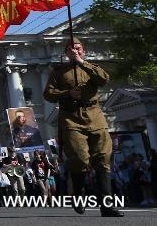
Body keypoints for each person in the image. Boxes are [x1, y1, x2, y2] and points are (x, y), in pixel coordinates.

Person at [44, 36, 123, 217]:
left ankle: (107, 206)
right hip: (71, 118)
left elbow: (103, 79)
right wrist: (67, 92)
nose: (75, 51)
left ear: (83, 51)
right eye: (71, 49)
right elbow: (48, 94)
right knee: (79, 159)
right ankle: (78, 195)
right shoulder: (58, 72)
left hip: (95, 116)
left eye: (78, 48)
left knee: (103, 159)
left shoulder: (92, 68)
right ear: (65, 52)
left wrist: (81, 62)